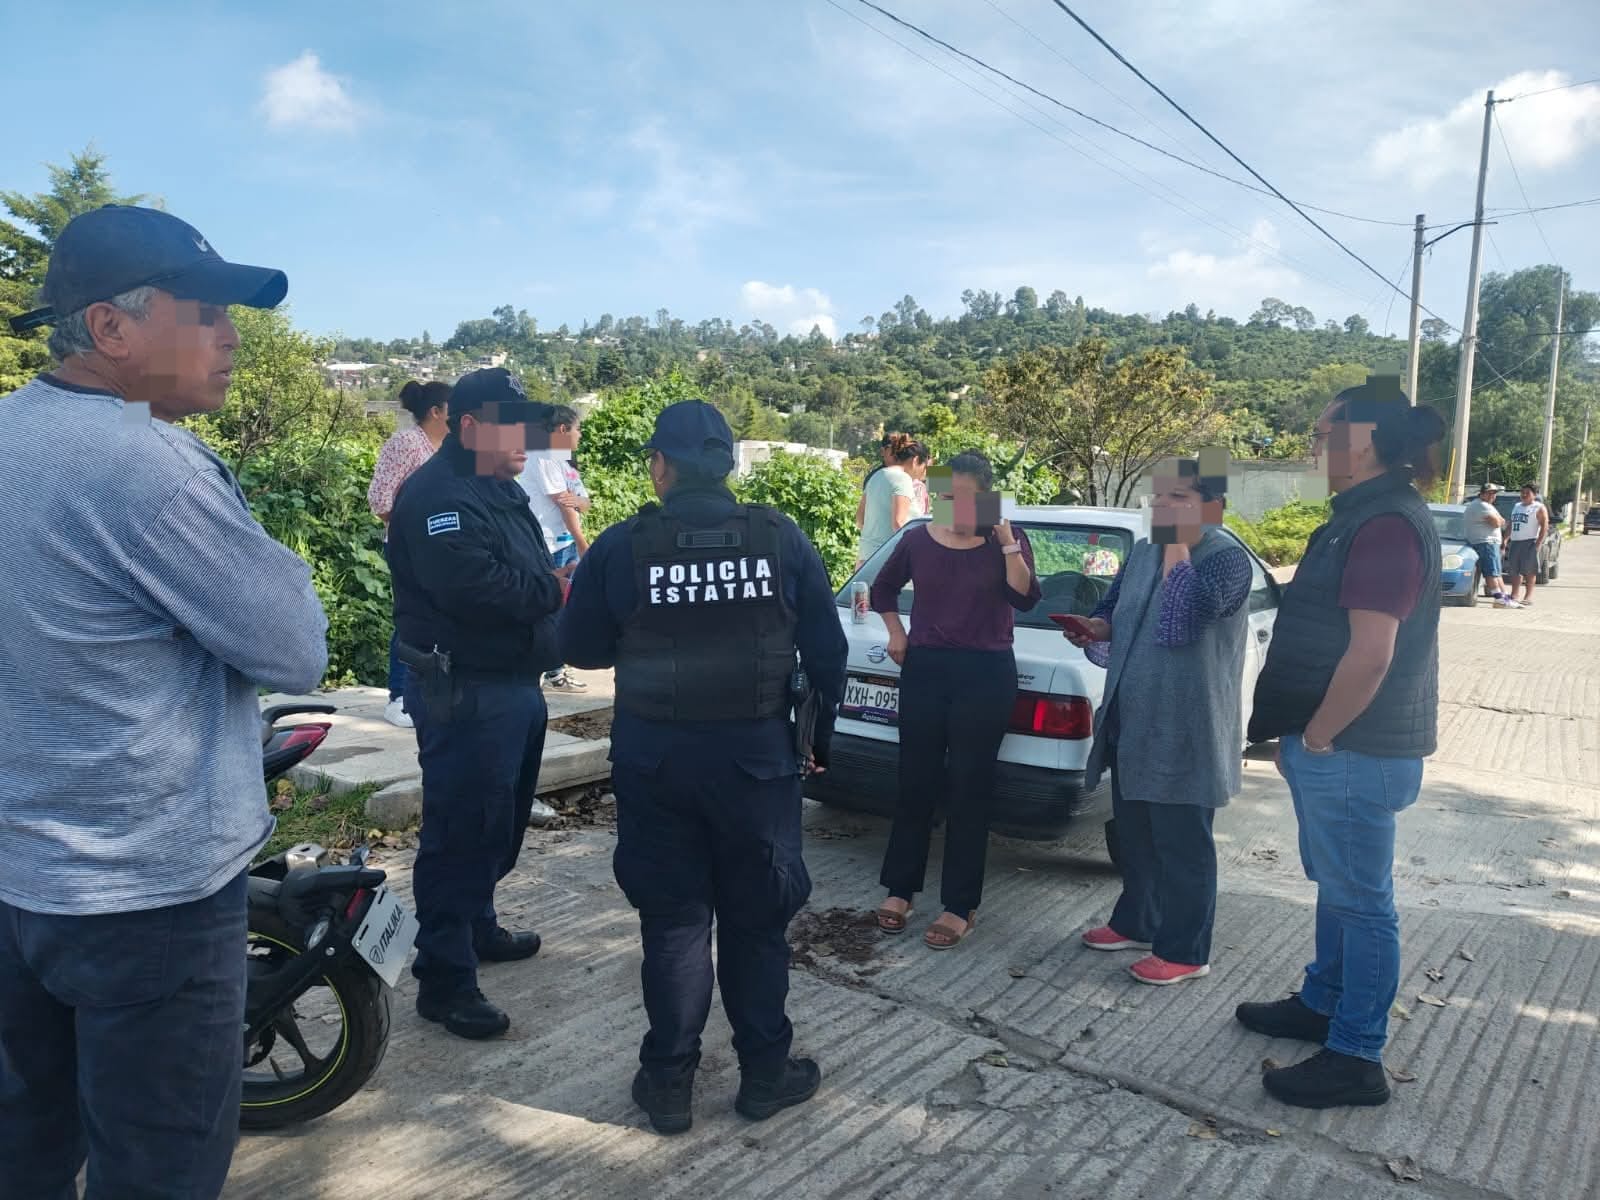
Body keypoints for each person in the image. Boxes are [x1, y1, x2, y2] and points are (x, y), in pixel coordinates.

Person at [0, 205, 329, 1198]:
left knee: (23, 1151)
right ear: (111, 327)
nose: (232, 337)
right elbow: (295, 647)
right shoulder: (148, 465)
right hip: (147, 896)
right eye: (205, 313)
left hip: (19, 875)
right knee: (159, 1167)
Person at [558, 400, 847, 1136]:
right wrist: (819, 740)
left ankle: (668, 1086)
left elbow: (580, 648)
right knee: (757, 923)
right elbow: (828, 652)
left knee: (675, 924)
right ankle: (765, 1076)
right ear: (726, 466)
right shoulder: (780, 538)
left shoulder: (622, 546)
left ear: (660, 466)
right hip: (757, 763)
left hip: (655, 761)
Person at [1238, 384, 1446, 1109]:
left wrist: (1321, 734)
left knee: (1362, 903)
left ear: (1362, 441)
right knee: (1339, 886)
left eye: (1323, 434)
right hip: (1338, 744)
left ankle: (1357, 1055)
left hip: (1355, 748)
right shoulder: (1362, 514)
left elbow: (1371, 654)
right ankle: (1323, 1001)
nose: (1313, 447)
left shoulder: (1386, 524)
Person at [386, 367, 570, 1040]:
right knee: (461, 832)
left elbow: (526, 567)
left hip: (512, 683)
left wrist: (546, 586)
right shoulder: (437, 496)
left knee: (499, 822)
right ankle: (445, 979)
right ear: (469, 427)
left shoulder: (499, 487)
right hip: (465, 691)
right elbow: (478, 588)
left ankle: (478, 926)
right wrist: (558, 590)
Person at [1068, 461, 1252, 986]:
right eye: (1160, 497)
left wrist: (1177, 547)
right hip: (1134, 716)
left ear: (1210, 506)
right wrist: (1092, 627)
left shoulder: (1225, 557)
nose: (1164, 507)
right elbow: (1113, 611)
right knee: (1136, 834)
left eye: (1179, 497)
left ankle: (1186, 951)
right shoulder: (1145, 549)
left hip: (1186, 725)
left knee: (1182, 844)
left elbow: (1180, 622)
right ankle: (1137, 922)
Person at [873, 451, 1041, 949]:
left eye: (965, 497)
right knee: (915, 783)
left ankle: (959, 904)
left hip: (985, 674)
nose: (953, 504)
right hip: (926, 669)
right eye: (945, 495)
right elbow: (883, 589)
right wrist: (896, 633)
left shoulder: (1006, 539)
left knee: (969, 788)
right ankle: (900, 890)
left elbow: (1025, 597)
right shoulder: (917, 539)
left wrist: (1006, 542)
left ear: (987, 497)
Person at [369, 379, 452, 726]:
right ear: (436, 412)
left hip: (444, 547)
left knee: (441, 618)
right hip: (410, 547)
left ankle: (429, 690)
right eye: (454, 408)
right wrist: (413, 526)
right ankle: (399, 696)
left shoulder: (452, 448)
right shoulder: (406, 443)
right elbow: (380, 498)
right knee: (413, 617)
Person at [517, 403, 590, 691]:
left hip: (564, 540)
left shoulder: (563, 459)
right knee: (548, 604)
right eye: (577, 429)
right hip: (547, 543)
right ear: (562, 429)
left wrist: (578, 502)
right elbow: (565, 504)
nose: (580, 435)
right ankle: (550, 671)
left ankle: (554, 667)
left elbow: (583, 501)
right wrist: (582, 542)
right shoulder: (544, 455)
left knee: (564, 604)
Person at [856, 433, 928, 567]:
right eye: (925, 467)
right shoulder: (903, 479)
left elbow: (860, 519)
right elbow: (899, 523)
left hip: (865, 560)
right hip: (887, 560)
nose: (923, 473)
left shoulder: (876, 476)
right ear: (915, 460)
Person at [1461, 483, 1515, 608]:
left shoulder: (1486, 505)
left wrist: (1500, 520)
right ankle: (1498, 599)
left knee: (1496, 572)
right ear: (1481, 494)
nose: (1492, 496)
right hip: (1486, 542)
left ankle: (1505, 598)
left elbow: (1502, 521)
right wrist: (1499, 520)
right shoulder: (1482, 506)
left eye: (1494, 493)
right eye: (1489, 493)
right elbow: (1498, 523)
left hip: (1490, 543)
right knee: (1491, 572)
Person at [1503, 483, 1548, 606]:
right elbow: (1511, 524)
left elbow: (1544, 526)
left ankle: (1528, 597)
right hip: (1515, 542)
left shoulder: (1538, 507)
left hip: (1530, 541)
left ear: (1534, 494)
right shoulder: (1517, 506)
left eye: (1527, 493)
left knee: (1529, 571)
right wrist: (1505, 539)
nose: (1524, 494)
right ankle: (1514, 595)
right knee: (1514, 570)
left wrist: (1538, 543)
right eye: (1522, 492)